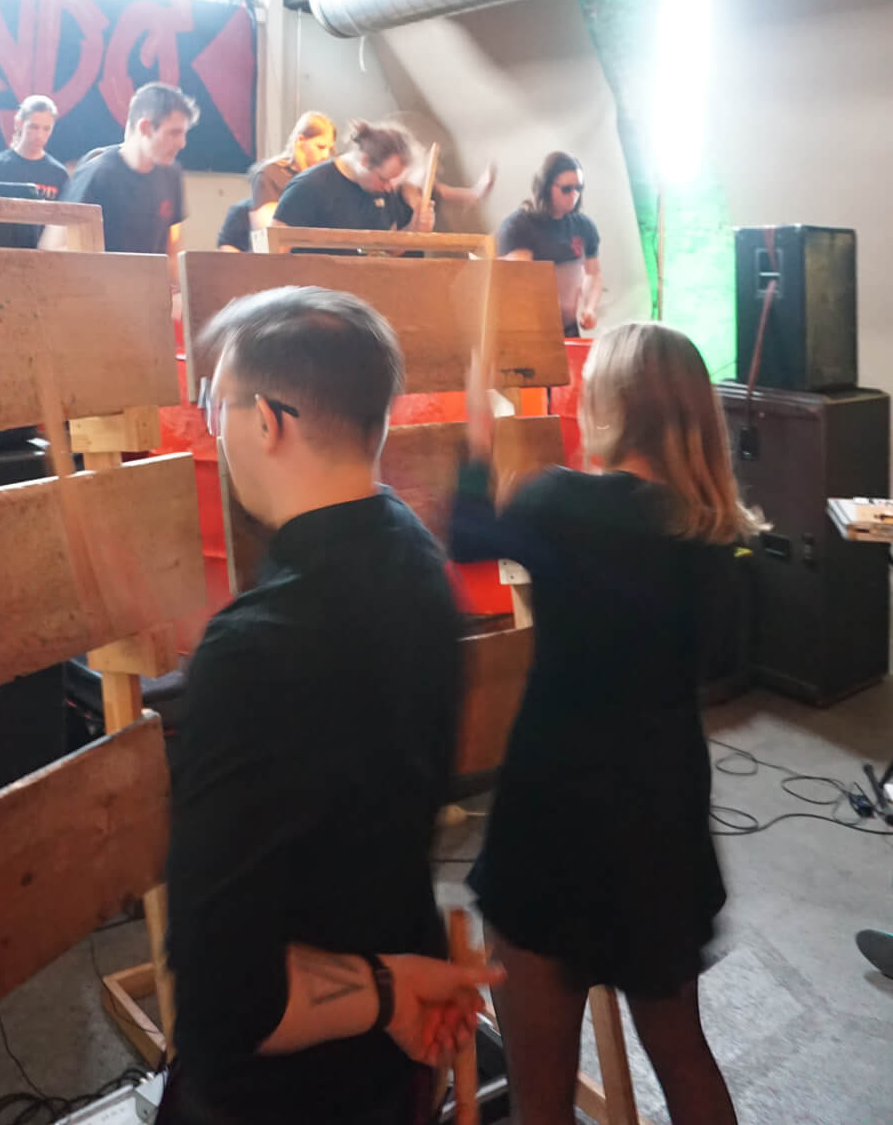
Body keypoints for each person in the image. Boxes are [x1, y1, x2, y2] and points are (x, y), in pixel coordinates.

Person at [162, 287, 496, 1125]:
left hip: (284, 1095)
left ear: (266, 423)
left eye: (214, 405)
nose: (213, 429)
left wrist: (386, 989)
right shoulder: (417, 557)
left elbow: (225, 1004)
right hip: (391, 1068)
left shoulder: (254, 648)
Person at [451, 322, 754, 1125]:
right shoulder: (711, 531)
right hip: (663, 812)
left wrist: (477, 438)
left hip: (554, 812)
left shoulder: (558, 503)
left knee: (541, 1087)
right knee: (681, 1049)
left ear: (611, 405)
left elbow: (467, 538)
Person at [52, 83, 198, 280]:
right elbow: (54, 246)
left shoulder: (172, 174)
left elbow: (172, 248)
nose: (182, 143)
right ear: (145, 127)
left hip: (151, 294)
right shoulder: (98, 173)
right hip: (100, 293)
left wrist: (176, 289)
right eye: (174, 133)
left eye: (183, 133)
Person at [497, 152, 601, 337]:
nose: (574, 194)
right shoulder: (520, 225)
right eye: (566, 189)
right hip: (528, 332)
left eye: (579, 188)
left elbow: (592, 273)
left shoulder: (584, 226)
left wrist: (590, 308)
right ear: (545, 187)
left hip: (568, 330)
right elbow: (516, 282)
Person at [272, 120, 434, 237]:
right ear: (365, 160)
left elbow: (387, 249)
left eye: (394, 180)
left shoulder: (383, 191)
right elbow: (274, 251)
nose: (389, 188)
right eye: (384, 179)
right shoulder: (308, 187)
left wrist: (413, 229)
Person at [249, 111, 337, 229]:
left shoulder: (326, 179)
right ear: (300, 140)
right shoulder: (270, 175)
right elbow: (267, 229)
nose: (326, 155)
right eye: (320, 147)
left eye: (329, 149)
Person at [0, 94, 69, 200]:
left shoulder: (59, 175)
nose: (39, 135)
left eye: (46, 129)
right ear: (19, 124)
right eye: (33, 127)